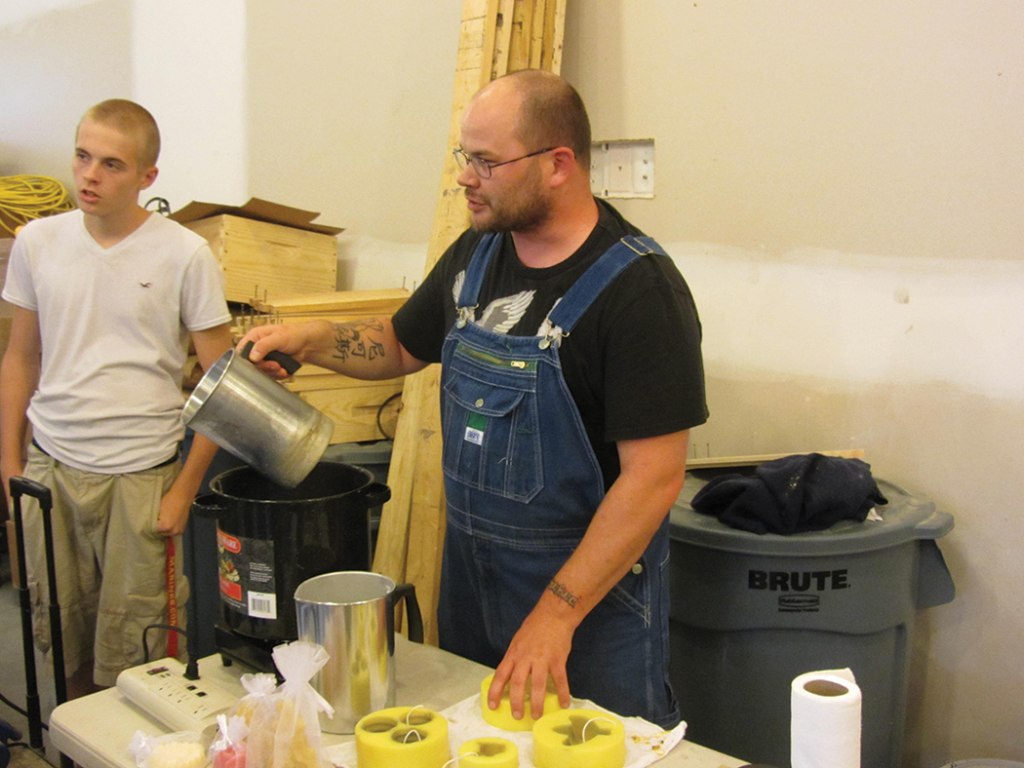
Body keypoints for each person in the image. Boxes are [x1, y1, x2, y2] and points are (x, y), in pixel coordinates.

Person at [240, 69, 707, 728]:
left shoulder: (638, 294)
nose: (465, 177)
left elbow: (653, 479)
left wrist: (556, 615)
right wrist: (311, 338)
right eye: (466, 157)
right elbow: (401, 345)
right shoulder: (478, 255)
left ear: (558, 165)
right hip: (472, 595)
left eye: (486, 161)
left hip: (588, 618)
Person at [0, 99, 233, 693]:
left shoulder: (185, 255)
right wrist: (9, 464)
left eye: (111, 164)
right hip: (51, 470)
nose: (89, 176)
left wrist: (183, 489)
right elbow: (19, 358)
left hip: (140, 479)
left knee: (139, 648)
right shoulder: (37, 243)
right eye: (81, 156)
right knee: (61, 628)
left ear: (147, 177)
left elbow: (223, 386)